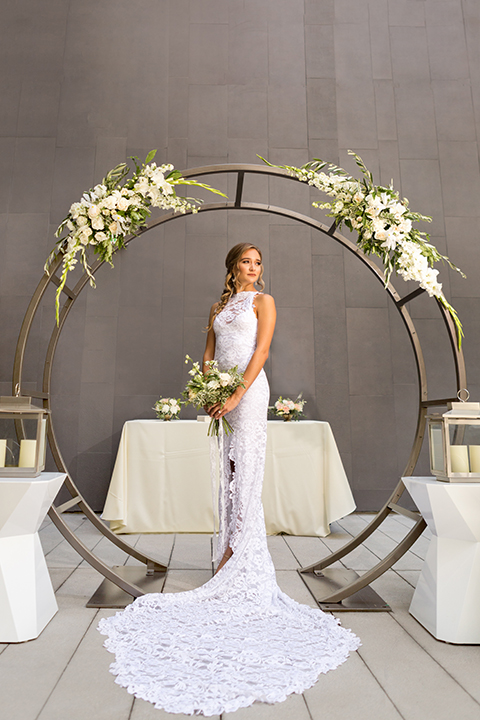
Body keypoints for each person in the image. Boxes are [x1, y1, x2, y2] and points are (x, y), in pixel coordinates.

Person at [98, 242, 360, 716]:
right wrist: (206, 386)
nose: (254, 268)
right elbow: (208, 352)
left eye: (259, 262)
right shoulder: (219, 305)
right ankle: (226, 552)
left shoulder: (265, 302)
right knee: (228, 473)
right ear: (232, 267)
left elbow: (260, 350)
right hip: (221, 394)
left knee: (248, 470)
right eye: (246, 261)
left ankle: (243, 559)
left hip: (249, 394)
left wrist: (237, 393)